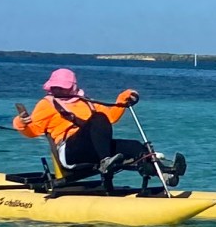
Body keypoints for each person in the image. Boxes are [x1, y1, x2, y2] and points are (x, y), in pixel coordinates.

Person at [13, 68, 175, 185]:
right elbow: (33, 131)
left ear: (72, 86)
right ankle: (105, 162)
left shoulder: (86, 103)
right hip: (70, 153)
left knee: (135, 146)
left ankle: (165, 174)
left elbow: (110, 118)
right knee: (98, 118)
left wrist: (123, 99)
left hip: (94, 150)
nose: (58, 89)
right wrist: (21, 122)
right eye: (55, 86)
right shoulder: (47, 104)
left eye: (62, 86)